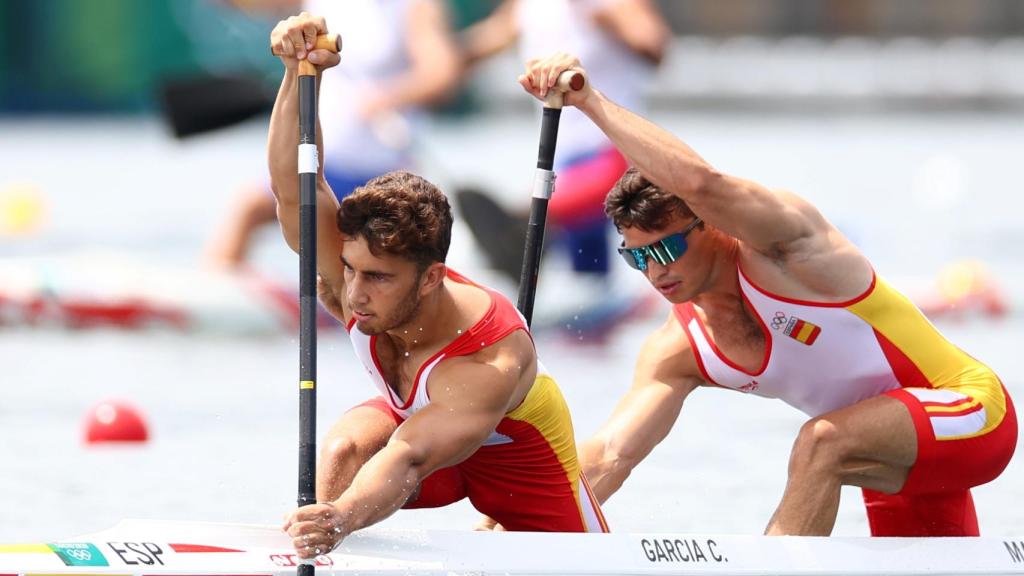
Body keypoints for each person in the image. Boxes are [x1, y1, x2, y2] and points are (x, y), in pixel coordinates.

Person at [518, 53, 1018, 536]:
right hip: (888, 451)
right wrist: (506, 528)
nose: (655, 271)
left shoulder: (788, 251)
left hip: (972, 413)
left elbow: (702, 181)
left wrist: (591, 102)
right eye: (638, 257)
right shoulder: (678, 349)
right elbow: (610, 457)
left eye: (666, 248)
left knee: (819, 444)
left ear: (710, 223)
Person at [268, 15, 608, 557]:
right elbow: (292, 188)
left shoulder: (490, 355)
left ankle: (327, 532)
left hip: (520, 464)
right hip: (416, 432)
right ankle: (315, 552)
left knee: (371, 484)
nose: (354, 294)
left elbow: (410, 457)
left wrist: (342, 518)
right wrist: (296, 74)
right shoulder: (353, 274)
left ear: (431, 278)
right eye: (352, 269)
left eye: (378, 278)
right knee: (341, 451)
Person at [204, 0, 461, 269]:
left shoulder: (414, 7)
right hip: (323, 165)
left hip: (381, 171)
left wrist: (388, 96)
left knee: (363, 263)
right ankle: (212, 287)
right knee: (249, 207)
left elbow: (440, 73)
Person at [455, 0, 670, 288]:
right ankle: (580, 299)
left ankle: (521, 231)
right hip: (562, 161)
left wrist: (610, 19)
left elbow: (654, 45)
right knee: (587, 269)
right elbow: (485, 41)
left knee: (537, 219)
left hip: (612, 154)